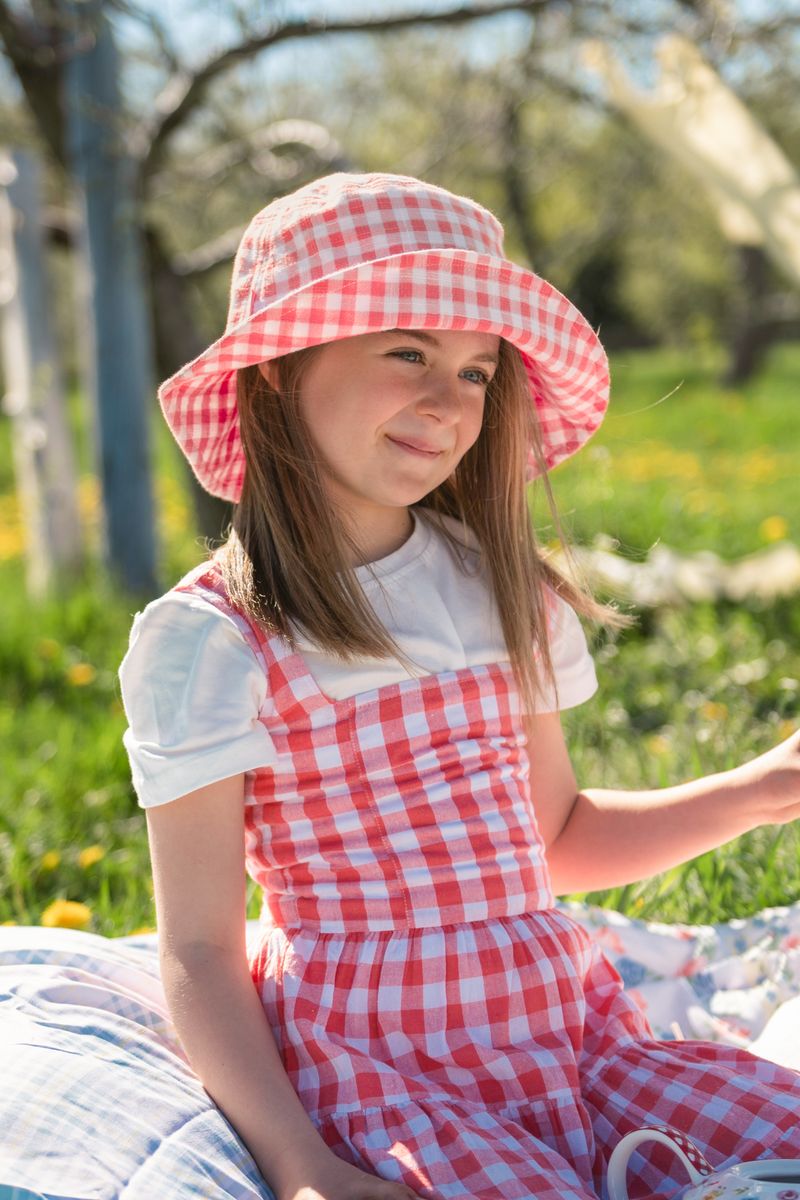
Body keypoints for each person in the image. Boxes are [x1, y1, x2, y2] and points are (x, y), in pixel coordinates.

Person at [118, 172, 800, 1200]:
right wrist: (302, 1168)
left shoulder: (502, 590)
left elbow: (556, 838)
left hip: (568, 1040)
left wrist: (758, 789)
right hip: (389, 1067)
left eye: (478, 371)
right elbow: (203, 952)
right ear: (275, 375)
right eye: (407, 354)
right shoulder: (213, 640)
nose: (448, 402)